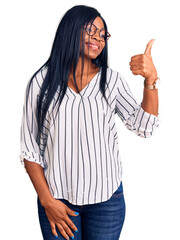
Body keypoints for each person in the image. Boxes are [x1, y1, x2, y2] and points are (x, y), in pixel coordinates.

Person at [19, 4, 160, 240]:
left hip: (107, 203)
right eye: (90, 30)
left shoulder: (111, 80)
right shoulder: (42, 82)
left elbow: (144, 128)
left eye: (103, 34)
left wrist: (150, 81)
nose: (98, 38)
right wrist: (46, 200)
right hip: (57, 201)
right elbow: (29, 149)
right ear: (70, 30)